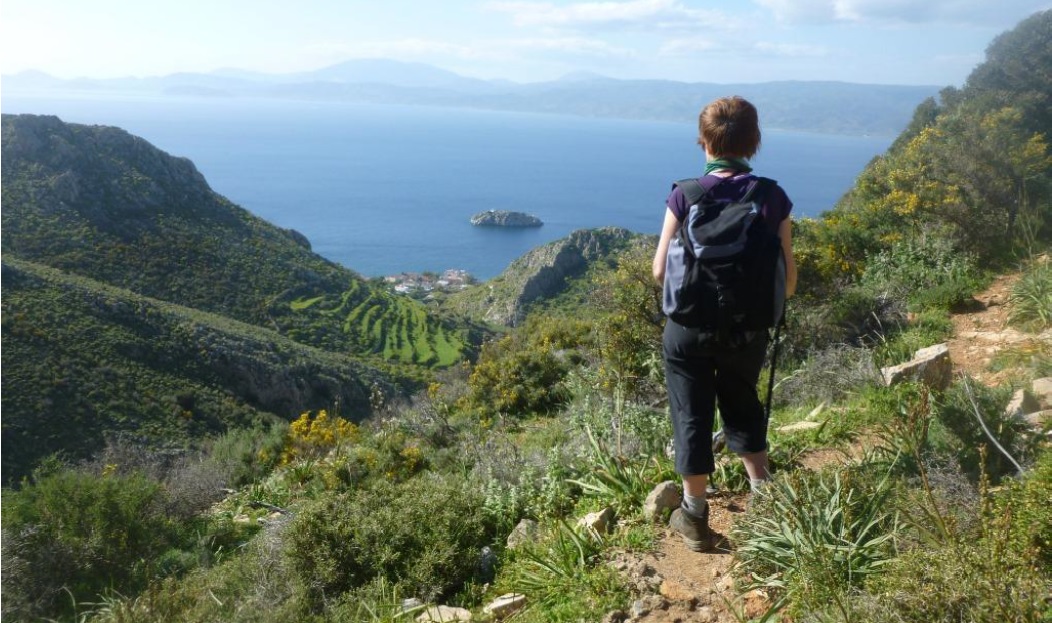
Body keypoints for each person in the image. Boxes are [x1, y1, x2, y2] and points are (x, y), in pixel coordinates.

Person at [652, 96, 797, 552]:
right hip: (747, 328)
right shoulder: (771, 197)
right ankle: (766, 503)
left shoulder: (686, 194)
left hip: (687, 330)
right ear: (753, 142)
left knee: (691, 415)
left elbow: (660, 271)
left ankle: (694, 517)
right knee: (743, 404)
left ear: (704, 140)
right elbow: (788, 278)